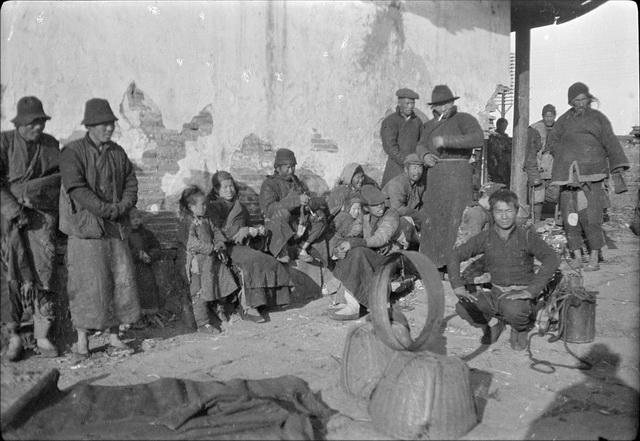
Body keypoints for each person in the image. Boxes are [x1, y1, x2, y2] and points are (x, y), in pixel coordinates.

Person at [59, 98, 140, 362]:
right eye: (104, 124)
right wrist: (107, 209)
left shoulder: (117, 152)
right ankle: (82, 342)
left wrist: (124, 206)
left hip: (115, 228)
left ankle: (115, 336)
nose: (109, 128)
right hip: (86, 230)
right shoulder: (72, 152)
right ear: (91, 125)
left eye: (111, 124)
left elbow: (130, 181)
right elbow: (77, 188)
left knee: (119, 280)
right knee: (86, 285)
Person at [448, 190, 560, 351]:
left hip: (518, 295)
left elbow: (552, 259)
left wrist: (531, 291)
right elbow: (455, 255)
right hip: (496, 293)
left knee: (513, 310)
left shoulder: (526, 237)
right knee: (463, 306)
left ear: (516, 212)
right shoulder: (486, 237)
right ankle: (498, 323)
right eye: (499, 212)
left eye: (509, 211)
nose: (504, 216)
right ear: (492, 213)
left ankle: (519, 328)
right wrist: (457, 285)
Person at [1, 96, 60, 361]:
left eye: (41, 122)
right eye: (32, 123)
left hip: (41, 215)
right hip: (9, 218)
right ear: (20, 123)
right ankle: (13, 334)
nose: (37, 128)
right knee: (10, 273)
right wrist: (14, 209)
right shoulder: (4, 143)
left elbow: (58, 178)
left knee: (44, 271)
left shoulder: (50, 145)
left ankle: (42, 334)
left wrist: (31, 191)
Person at [548, 82, 630, 271]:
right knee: (570, 219)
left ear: (589, 99)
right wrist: (563, 156)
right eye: (576, 100)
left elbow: (610, 142)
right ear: (570, 102)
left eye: (584, 99)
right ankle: (577, 256)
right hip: (568, 178)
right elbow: (552, 141)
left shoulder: (598, 119)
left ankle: (594, 257)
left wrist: (617, 168)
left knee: (591, 219)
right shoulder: (564, 120)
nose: (581, 103)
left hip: (592, 178)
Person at [207, 171, 294, 324]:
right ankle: (247, 307)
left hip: (243, 245)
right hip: (227, 247)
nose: (229, 190)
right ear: (216, 190)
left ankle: (265, 302)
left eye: (231, 186)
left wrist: (257, 229)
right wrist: (241, 232)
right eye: (225, 187)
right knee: (252, 262)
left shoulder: (240, 206)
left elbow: (247, 225)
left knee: (267, 260)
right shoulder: (214, 208)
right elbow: (216, 231)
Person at [415, 84, 485, 272]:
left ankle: (455, 265)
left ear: (452, 103)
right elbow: (420, 145)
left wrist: (447, 141)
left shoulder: (464, 119)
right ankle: (434, 266)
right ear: (433, 107)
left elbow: (478, 138)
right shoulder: (429, 126)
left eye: (447, 103)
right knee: (436, 220)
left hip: (458, 176)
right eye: (439, 105)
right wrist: (424, 156)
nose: (444, 108)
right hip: (436, 176)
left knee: (457, 219)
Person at [329, 185, 407, 320]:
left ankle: (368, 304)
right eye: (375, 205)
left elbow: (380, 239)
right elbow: (352, 235)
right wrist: (339, 248)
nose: (381, 207)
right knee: (351, 252)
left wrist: (353, 244)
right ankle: (353, 303)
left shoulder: (391, 215)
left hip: (391, 259)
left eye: (382, 203)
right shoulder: (363, 216)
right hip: (372, 257)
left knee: (357, 252)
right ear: (366, 208)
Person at [176, 185, 238, 333]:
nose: (205, 207)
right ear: (190, 206)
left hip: (211, 261)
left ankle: (218, 307)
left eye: (206, 204)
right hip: (196, 263)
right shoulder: (187, 222)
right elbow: (192, 243)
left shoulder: (206, 218)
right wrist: (211, 248)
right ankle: (202, 323)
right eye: (202, 205)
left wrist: (220, 243)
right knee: (199, 291)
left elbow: (216, 231)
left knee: (220, 281)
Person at [259, 148, 328, 264]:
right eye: (288, 167)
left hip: (296, 223)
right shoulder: (269, 184)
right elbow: (270, 210)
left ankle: (300, 248)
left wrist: (309, 205)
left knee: (319, 217)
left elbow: (307, 202)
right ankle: (281, 251)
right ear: (278, 168)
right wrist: (296, 200)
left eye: (293, 167)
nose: (291, 170)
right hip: (278, 226)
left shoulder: (298, 182)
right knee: (283, 214)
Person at [380, 88, 424, 188]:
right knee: (394, 194)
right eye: (407, 103)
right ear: (399, 103)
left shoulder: (417, 122)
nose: (410, 106)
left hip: (414, 168)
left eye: (413, 103)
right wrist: (405, 162)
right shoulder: (390, 121)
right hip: (396, 166)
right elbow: (390, 146)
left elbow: (422, 142)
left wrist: (416, 163)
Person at [524, 104, 559, 222]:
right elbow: (530, 153)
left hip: (553, 169)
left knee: (556, 195)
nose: (549, 119)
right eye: (546, 116)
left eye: (551, 116)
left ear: (555, 116)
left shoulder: (559, 129)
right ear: (542, 116)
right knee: (537, 198)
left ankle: (556, 220)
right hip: (539, 168)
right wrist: (533, 175)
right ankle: (536, 222)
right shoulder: (535, 129)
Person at [128, 207, 162, 326]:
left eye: (138, 218)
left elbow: (156, 247)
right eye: (132, 219)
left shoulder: (146, 234)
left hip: (144, 270)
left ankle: (148, 316)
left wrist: (151, 255)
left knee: (147, 291)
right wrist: (139, 255)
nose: (136, 221)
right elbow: (124, 251)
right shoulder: (124, 235)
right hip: (129, 270)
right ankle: (134, 318)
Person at [382, 153, 427, 239]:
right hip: (389, 220)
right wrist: (420, 215)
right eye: (414, 168)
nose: (417, 172)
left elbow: (425, 202)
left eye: (420, 168)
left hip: (408, 217)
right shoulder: (397, 184)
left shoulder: (420, 185)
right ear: (406, 169)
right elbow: (398, 209)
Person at [486, 117, 512, 186]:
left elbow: (509, 147)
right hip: (496, 163)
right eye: (502, 126)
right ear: (498, 125)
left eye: (505, 126)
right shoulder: (493, 136)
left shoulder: (505, 137)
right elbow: (494, 150)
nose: (504, 128)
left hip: (505, 165)